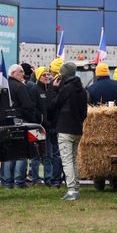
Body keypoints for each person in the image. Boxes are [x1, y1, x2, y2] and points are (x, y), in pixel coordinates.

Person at [49, 61, 88, 200]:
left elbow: (54, 105)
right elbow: (84, 113)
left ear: (64, 74)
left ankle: (71, 190)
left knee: (66, 160)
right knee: (74, 160)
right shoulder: (82, 90)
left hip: (65, 128)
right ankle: (76, 187)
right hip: (78, 129)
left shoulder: (66, 89)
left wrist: (54, 89)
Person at [0, 64, 37, 189]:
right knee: (20, 152)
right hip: (18, 120)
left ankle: (6, 182)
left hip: (4, 121)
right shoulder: (20, 87)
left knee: (7, 152)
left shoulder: (2, 86)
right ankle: (19, 181)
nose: (23, 74)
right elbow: (28, 105)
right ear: (13, 73)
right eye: (20, 72)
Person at [28, 66, 56, 186]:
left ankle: (48, 179)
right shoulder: (35, 89)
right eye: (44, 75)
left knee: (48, 155)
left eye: (48, 75)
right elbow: (33, 108)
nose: (47, 77)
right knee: (36, 156)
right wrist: (40, 120)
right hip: (38, 128)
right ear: (39, 76)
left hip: (49, 128)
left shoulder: (50, 89)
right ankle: (36, 179)